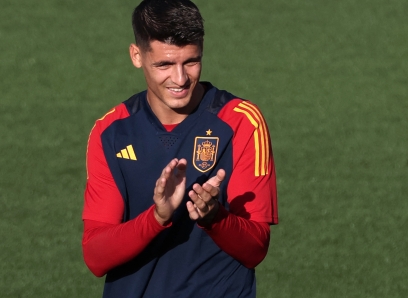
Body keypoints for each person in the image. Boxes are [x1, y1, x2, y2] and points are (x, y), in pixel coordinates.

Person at [81, 0, 278, 297]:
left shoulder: (241, 122)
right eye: (164, 64)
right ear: (137, 56)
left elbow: (255, 249)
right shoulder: (111, 132)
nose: (180, 79)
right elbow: (96, 257)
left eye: (191, 61)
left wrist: (215, 217)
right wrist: (157, 217)